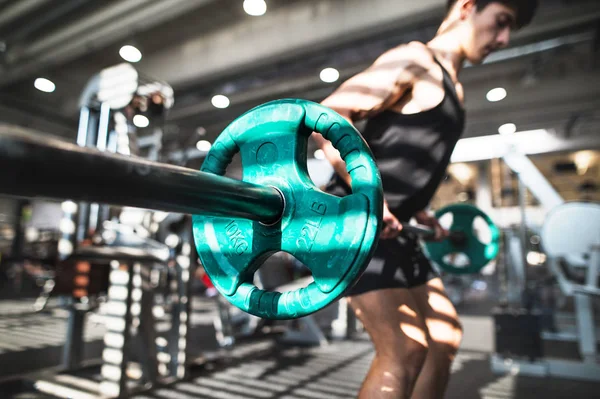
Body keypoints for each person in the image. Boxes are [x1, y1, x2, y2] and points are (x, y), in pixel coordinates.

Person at [311, 1, 537, 398]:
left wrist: (419, 209)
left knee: (444, 335)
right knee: (404, 348)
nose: (502, 40)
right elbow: (328, 117)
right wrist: (369, 192)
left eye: (509, 31)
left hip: (395, 227)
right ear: (467, 7)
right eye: (501, 23)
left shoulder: (455, 87)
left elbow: (407, 155)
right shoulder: (415, 59)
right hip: (353, 219)